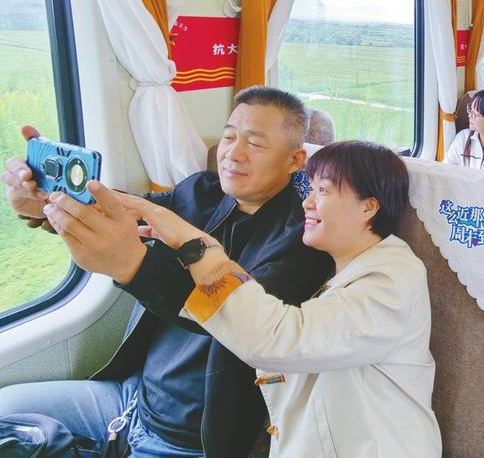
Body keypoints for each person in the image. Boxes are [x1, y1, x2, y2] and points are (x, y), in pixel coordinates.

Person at [0, 87, 334, 458]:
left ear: (294, 160)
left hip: (188, 437)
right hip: (130, 400)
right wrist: (48, 203)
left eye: (255, 144)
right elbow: (124, 210)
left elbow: (240, 318)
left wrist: (134, 266)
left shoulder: (305, 242)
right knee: (6, 407)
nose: (233, 153)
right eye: (229, 137)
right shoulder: (201, 192)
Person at [77, 141, 439, 457]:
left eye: (323, 191)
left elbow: (279, 339)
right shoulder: (338, 272)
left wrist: (191, 245)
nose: (307, 202)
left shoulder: (391, 280)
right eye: (310, 188)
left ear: (368, 208)